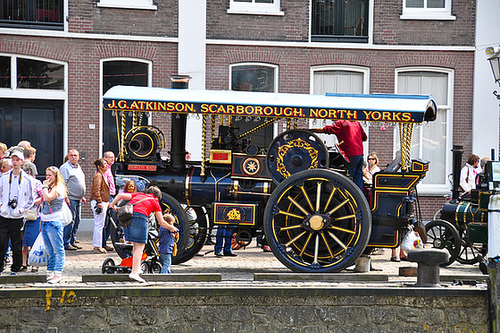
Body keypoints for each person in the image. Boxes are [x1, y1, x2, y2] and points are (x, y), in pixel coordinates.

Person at [109, 186, 178, 283]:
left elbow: (120, 195)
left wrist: (112, 205)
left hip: (127, 220)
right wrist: (172, 228)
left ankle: (137, 268)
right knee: (140, 246)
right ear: (157, 196)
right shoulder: (155, 201)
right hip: (140, 219)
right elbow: (161, 222)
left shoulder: (138, 194)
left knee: (135, 244)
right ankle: (134, 272)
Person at [0, 149, 35, 274]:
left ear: (21, 161)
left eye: (17, 160)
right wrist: (1, 205)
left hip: (17, 216)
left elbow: (31, 198)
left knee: (17, 243)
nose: (15, 162)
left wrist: (21, 209)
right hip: (4, 214)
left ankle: (16, 266)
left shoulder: (27, 179)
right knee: (2, 242)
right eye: (13, 160)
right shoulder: (4, 177)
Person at [311, 120, 367, 190]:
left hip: (350, 154)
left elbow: (327, 130)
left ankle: (347, 197)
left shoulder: (341, 123)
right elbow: (364, 137)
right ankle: (358, 197)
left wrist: (310, 131)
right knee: (358, 179)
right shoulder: (357, 123)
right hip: (360, 155)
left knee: (348, 180)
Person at [40, 166, 68, 284]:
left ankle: (58, 273)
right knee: (49, 250)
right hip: (45, 221)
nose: (47, 178)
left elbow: (47, 197)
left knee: (58, 249)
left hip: (54, 222)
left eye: (50, 175)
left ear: (56, 176)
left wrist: (45, 186)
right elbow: (42, 199)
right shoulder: (50, 187)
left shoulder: (58, 187)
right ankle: (50, 271)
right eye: (46, 175)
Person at [60, 149, 87, 251]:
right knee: (69, 221)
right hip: (70, 198)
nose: (73, 157)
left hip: (78, 198)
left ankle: (72, 240)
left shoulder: (78, 167)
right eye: (71, 155)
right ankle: (66, 242)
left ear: (78, 157)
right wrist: (66, 197)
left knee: (77, 220)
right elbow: (63, 184)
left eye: (75, 155)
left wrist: (82, 195)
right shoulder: (65, 168)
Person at [20, 163, 43, 273]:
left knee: (31, 241)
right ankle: (25, 264)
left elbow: (43, 197)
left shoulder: (37, 183)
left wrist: (32, 202)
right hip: (23, 215)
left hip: (32, 215)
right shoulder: (20, 182)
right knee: (23, 241)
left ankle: (31, 264)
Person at [90, 158, 110, 254]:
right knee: (99, 225)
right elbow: (96, 190)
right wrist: (99, 201)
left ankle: (98, 244)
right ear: (99, 166)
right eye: (104, 164)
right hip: (100, 203)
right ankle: (98, 246)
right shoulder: (98, 176)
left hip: (103, 202)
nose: (106, 165)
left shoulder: (102, 175)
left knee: (100, 224)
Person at [101, 151, 116, 252]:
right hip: (107, 197)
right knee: (105, 221)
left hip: (111, 196)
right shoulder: (104, 170)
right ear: (105, 158)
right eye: (110, 157)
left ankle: (105, 242)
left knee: (109, 221)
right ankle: (102, 244)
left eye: (113, 158)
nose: (112, 159)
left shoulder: (109, 169)